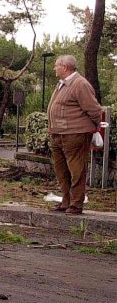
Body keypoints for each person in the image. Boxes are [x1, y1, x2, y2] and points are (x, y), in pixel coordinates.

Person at [47, 55, 103, 215]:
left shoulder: (80, 84)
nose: (54, 68)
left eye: (56, 65)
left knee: (77, 169)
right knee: (61, 169)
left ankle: (76, 204)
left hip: (75, 134)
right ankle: (66, 201)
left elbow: (94, 110)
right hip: (58, 134)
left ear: (65, 67)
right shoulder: (62, 84)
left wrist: (93, 127)